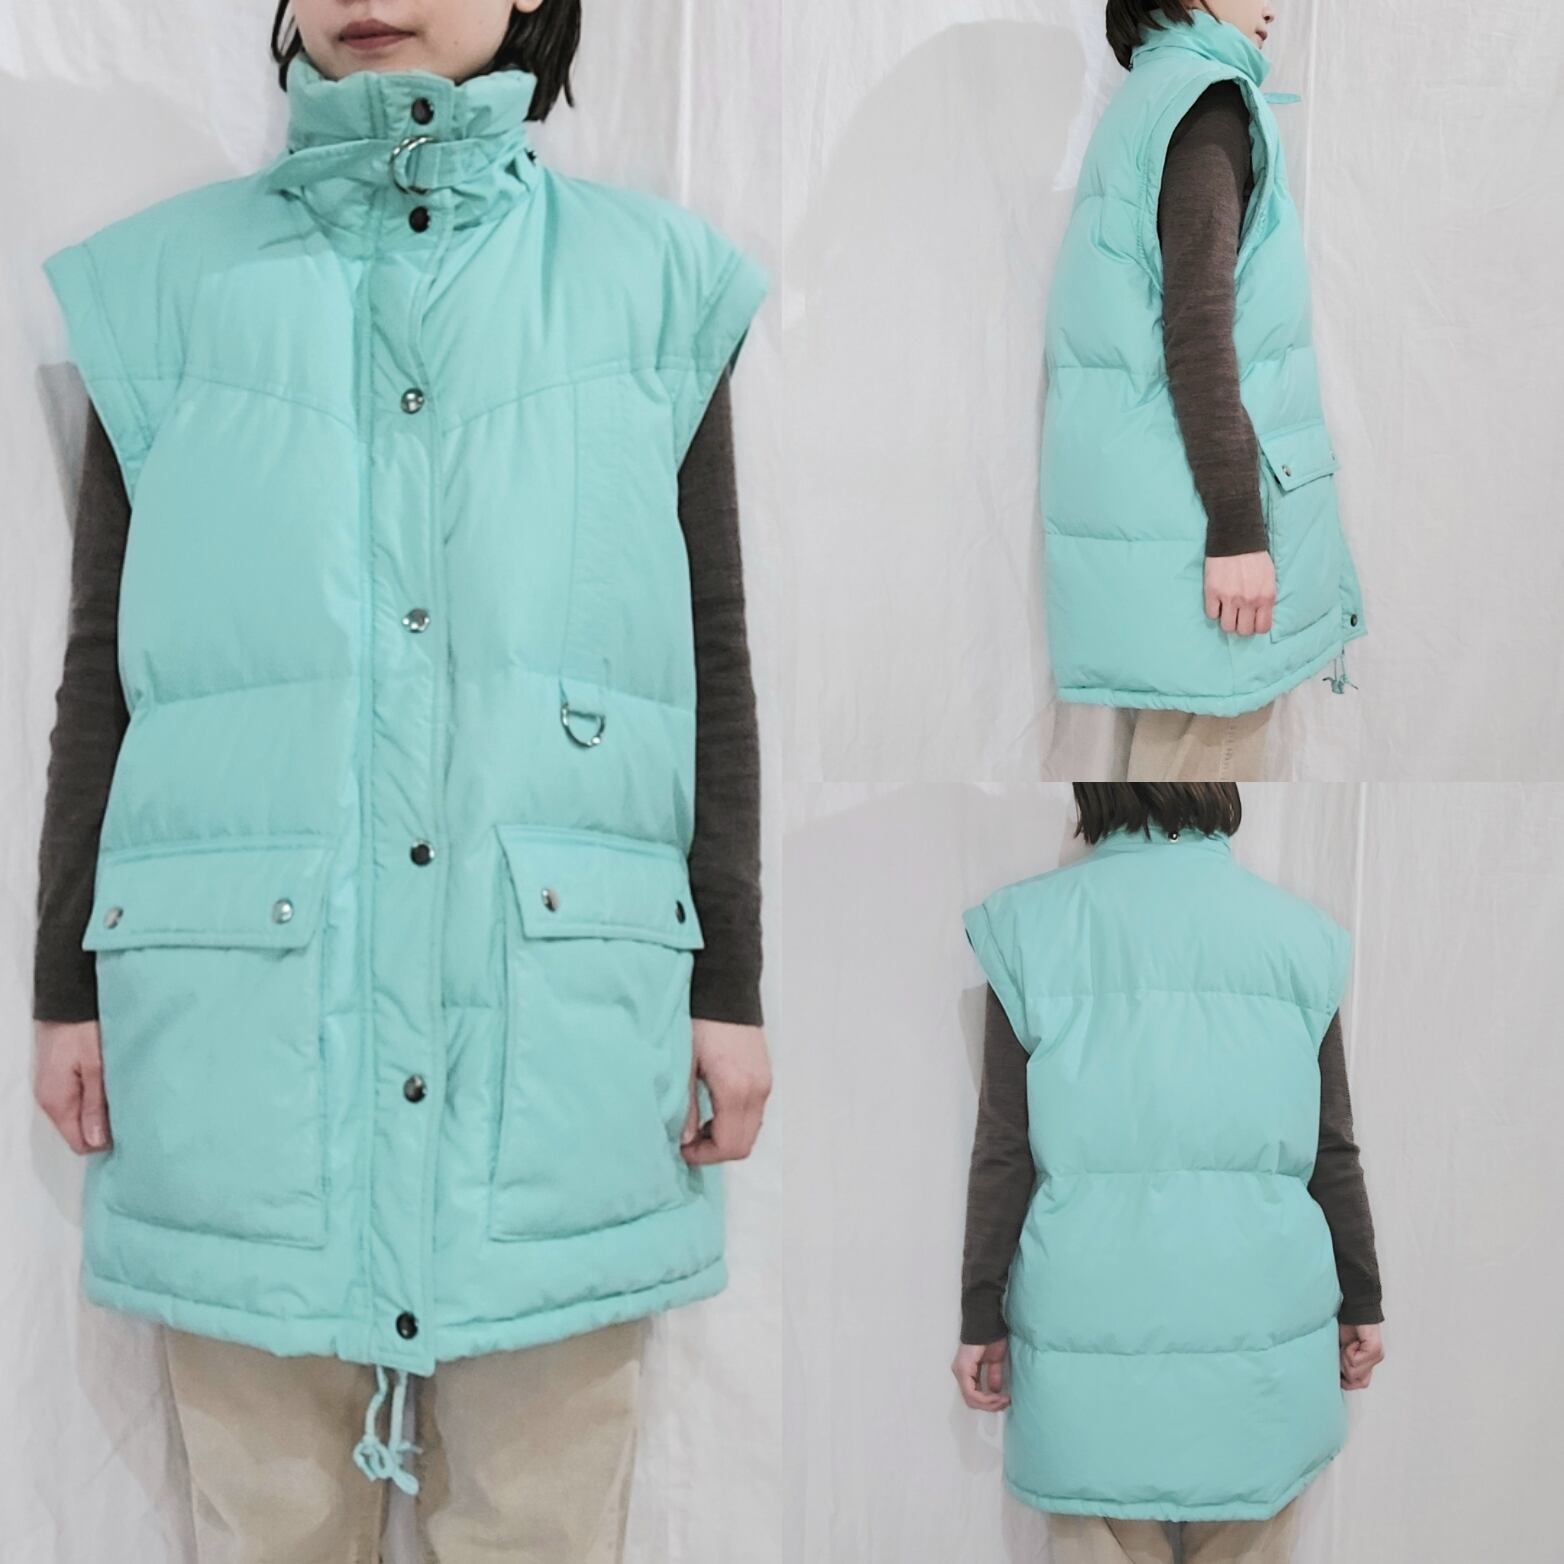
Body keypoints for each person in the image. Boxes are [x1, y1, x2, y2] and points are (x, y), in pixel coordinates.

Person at [30, 2, 772, 1559]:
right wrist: (61, 985)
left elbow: (703, 652)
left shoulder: (652, 285)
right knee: (267, 1527)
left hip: (561, 1045)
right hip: (241, 1042)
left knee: (543, 1527)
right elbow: (107, 665)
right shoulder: (164, 288)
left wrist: (732, 984)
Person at [953, 784, 1385, 1563]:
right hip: (1262, 1349)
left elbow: (1004, 1152)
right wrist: (1362, 1299)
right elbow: (1331, 1148)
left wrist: (981, 1316)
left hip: (1088, 1352)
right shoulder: (1299, 938)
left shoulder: (1028, 927)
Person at [1040, 3, 1367, 781]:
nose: (1273, 6)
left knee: (1162, 786)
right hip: (1199, 536)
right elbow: (1197, 331)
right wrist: (1238, 529)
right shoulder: (1207, 105)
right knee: (1193, 777)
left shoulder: (1149, 101)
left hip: (1155, 525)